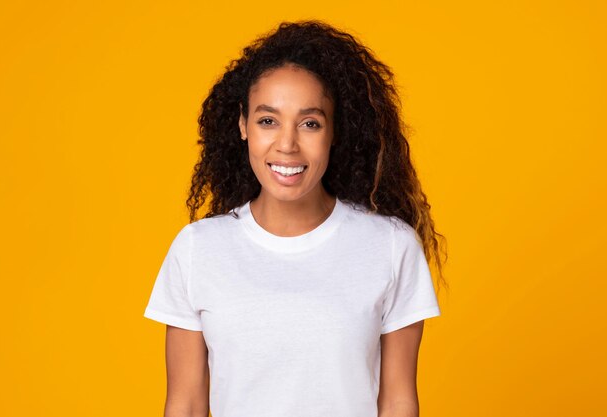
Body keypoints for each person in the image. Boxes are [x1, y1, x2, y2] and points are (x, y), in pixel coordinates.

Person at [144, 19, 448, 417]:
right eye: (268, 120)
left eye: (310, 123)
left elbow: (398, 401)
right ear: (242, 125)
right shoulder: (199, 248)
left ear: (335, 131)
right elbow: (184, 404)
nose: (286, 144)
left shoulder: (390, 245)